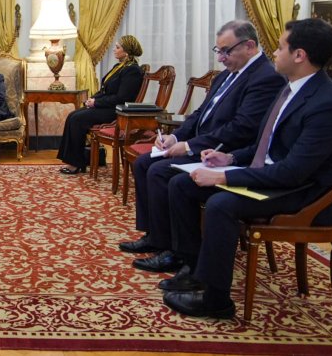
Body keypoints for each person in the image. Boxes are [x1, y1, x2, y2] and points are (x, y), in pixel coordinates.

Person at [162, 18, 332, 320]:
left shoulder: (328, 104)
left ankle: (216, 299)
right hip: (278, 178)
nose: (274, 52)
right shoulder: (292, 88)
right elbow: (266, 146)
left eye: (280, 47)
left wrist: (223, 176)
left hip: (306, 193)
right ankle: (193, 267)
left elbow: (292, 172)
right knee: (182, 183)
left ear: (299, 55)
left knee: (221, 204)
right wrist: (230, 158)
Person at [122, 21, 285, 273]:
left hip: (226, 152)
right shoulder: (227, 74)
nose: (220, 58)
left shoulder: (265, 77)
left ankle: (178, 252)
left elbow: (241, 128)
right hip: (204, 145)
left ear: (250, 46)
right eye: (218, 51)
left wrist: (189, 146)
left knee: (160, 171)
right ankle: (157, 236)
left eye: (226, 51)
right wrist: (175, 137)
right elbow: (199, 113)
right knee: (144, 163)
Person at [57, 36, 145, 174]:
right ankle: (74, 161)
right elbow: (105, 90)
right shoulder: (119, 67)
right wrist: (92, 99)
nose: (114, 50)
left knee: (77, 119)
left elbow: (122, 98)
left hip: (116, 111)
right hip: (107, 106)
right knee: (72, 115)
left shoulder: (132, 71)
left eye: (118, 47)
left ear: (126, 52)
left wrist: (97, 103)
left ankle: (76, 163)